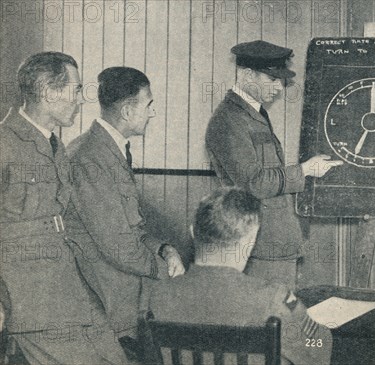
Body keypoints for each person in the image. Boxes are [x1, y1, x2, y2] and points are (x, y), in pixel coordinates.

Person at [0, 52, 130, 364]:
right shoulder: (5, 143)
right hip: (33, 298)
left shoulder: (53, 144)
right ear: (48, 93)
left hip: (71, 286)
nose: (79, 100)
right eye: (75, 90)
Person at [205, 40, 343, 289]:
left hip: (274, 241)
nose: (279, 88)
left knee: (278, 318)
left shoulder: (254, 114)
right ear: (247, 74)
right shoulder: (228, 120)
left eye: (282, 81)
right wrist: (305, 170)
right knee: (271, 320)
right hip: (260, 245)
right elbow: (254, 183)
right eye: (272, 79)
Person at [150, 188, 333, 365]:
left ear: (192, 232)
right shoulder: (274, 298)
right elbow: (318, 347)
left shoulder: (160, 294)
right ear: (250, 240)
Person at [67, 67, 185, 339]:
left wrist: (165, 249)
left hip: (123, 280)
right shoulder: (89, 158)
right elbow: (118, 246)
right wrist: (166, 272)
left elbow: (132, 229)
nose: (152, 113)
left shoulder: (109, 149)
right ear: (128, 112)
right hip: (106, 295)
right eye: (149, 104)